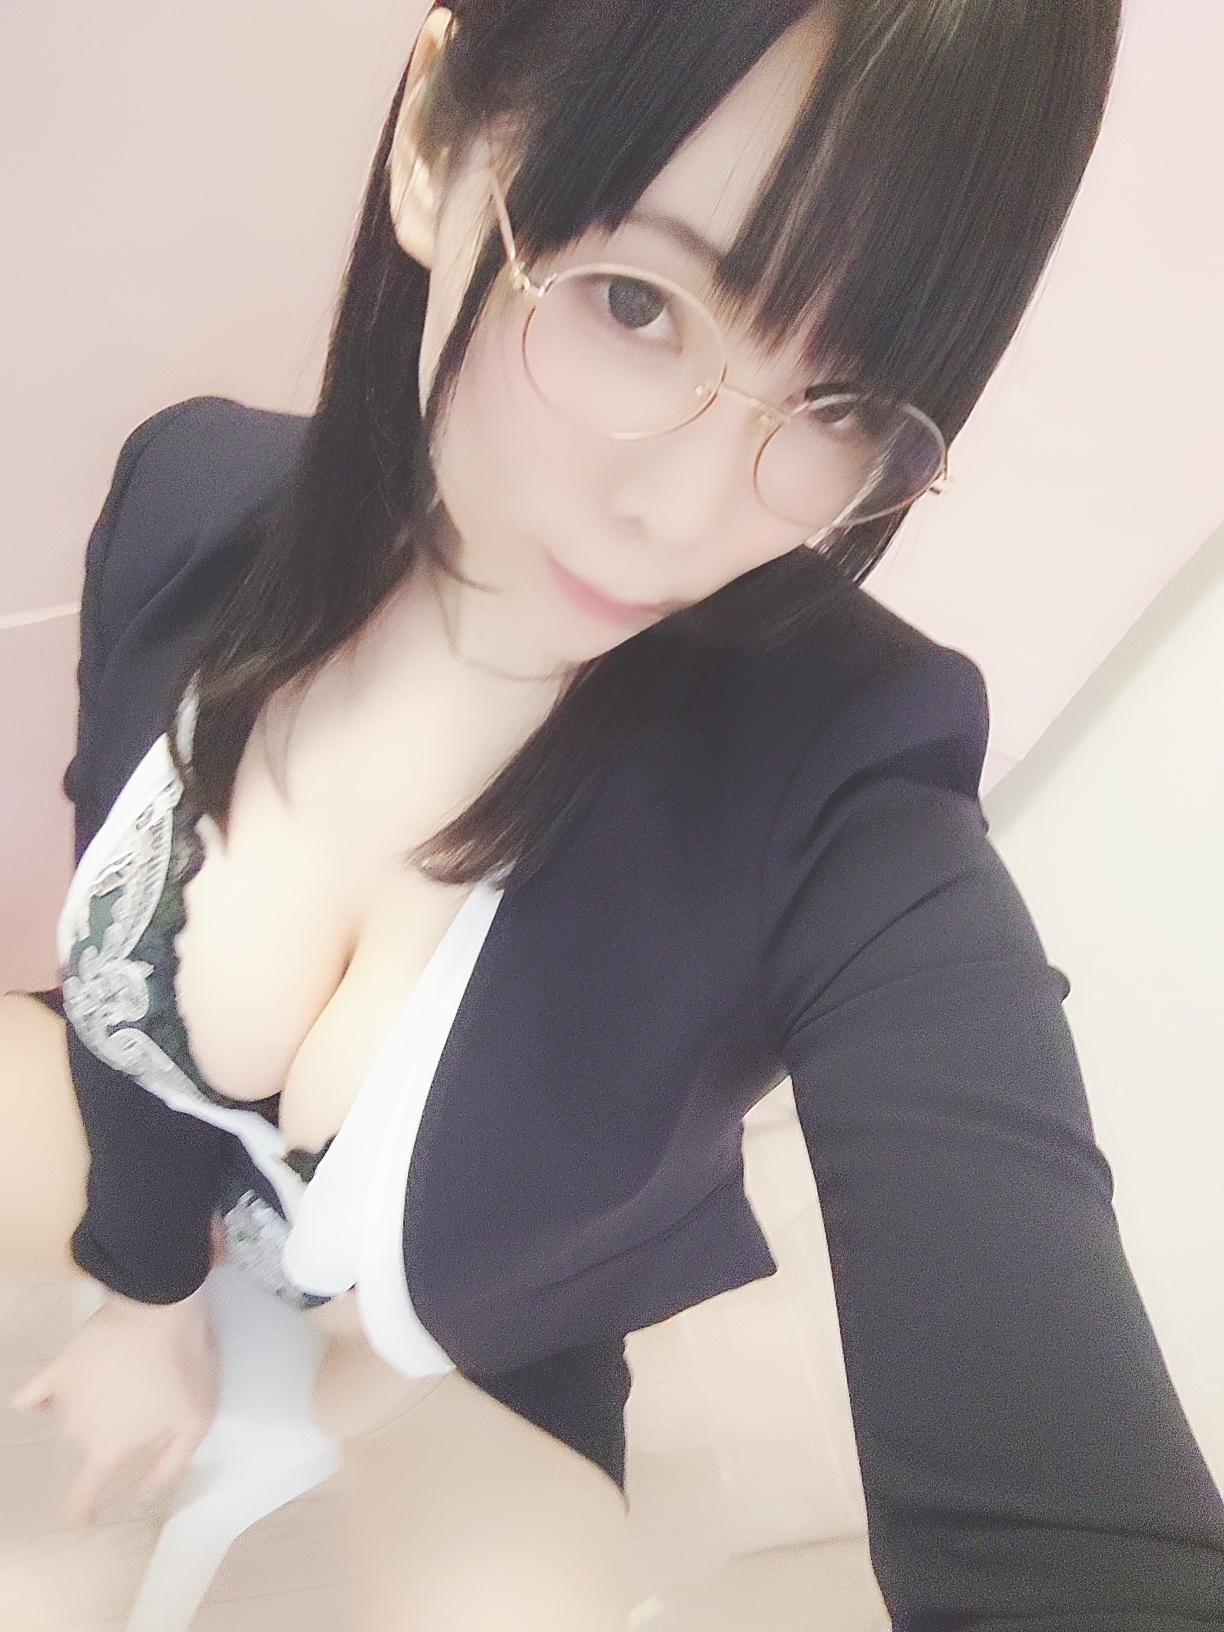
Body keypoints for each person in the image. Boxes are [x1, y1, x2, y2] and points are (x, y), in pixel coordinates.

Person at [3, 0, 1223, 1626]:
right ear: (436, 142)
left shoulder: (849, 792)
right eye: (636, 302)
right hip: (157, 1138)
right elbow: (106, 938)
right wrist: (145, 1287)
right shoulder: (191, 498)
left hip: (465, 1352)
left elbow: (1069, 1516)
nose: (688, 514)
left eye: (844, 406)